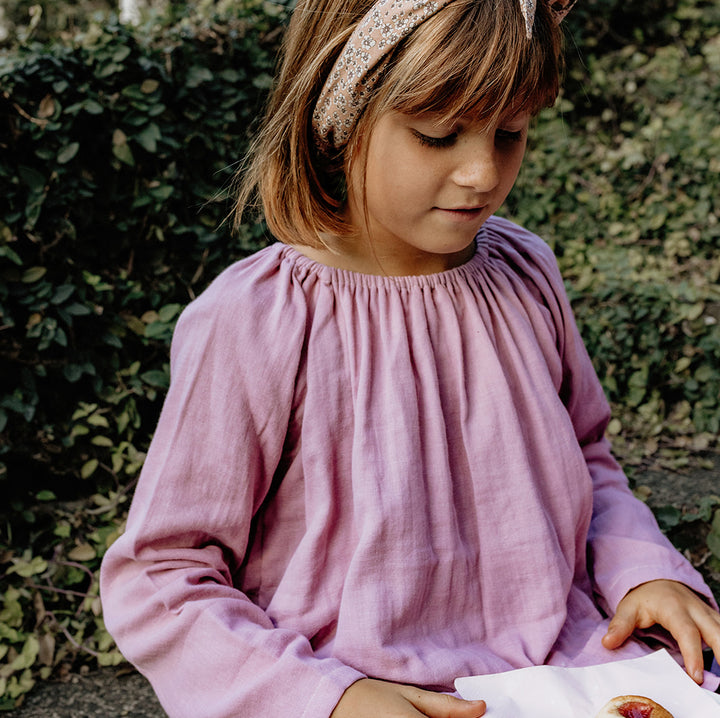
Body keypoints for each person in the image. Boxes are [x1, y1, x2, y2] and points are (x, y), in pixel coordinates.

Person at [100, 0, 720, 716]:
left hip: (577, 667)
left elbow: (587, 459)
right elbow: (164, 574)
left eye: (510, 133)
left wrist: (643, 572)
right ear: (340, 118)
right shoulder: (260, 320)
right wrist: (326, 701)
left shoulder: (524, 273)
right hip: (354, 684)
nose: (482, 171)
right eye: (438, 135)